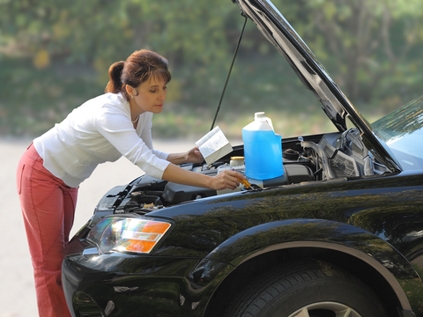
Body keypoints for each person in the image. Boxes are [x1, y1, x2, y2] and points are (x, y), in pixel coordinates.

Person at [16, 49, 244, 317]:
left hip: (67, 180)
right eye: (153, 89)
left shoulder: (143, 111)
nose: (162, 96)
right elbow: (146, 163)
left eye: (164, 87)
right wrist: (211, 181)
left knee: (64, 257)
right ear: (130, 89)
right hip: (41, 173)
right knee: (49, 265)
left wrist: (186, 156)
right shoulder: (110, 113)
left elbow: (149, 153)